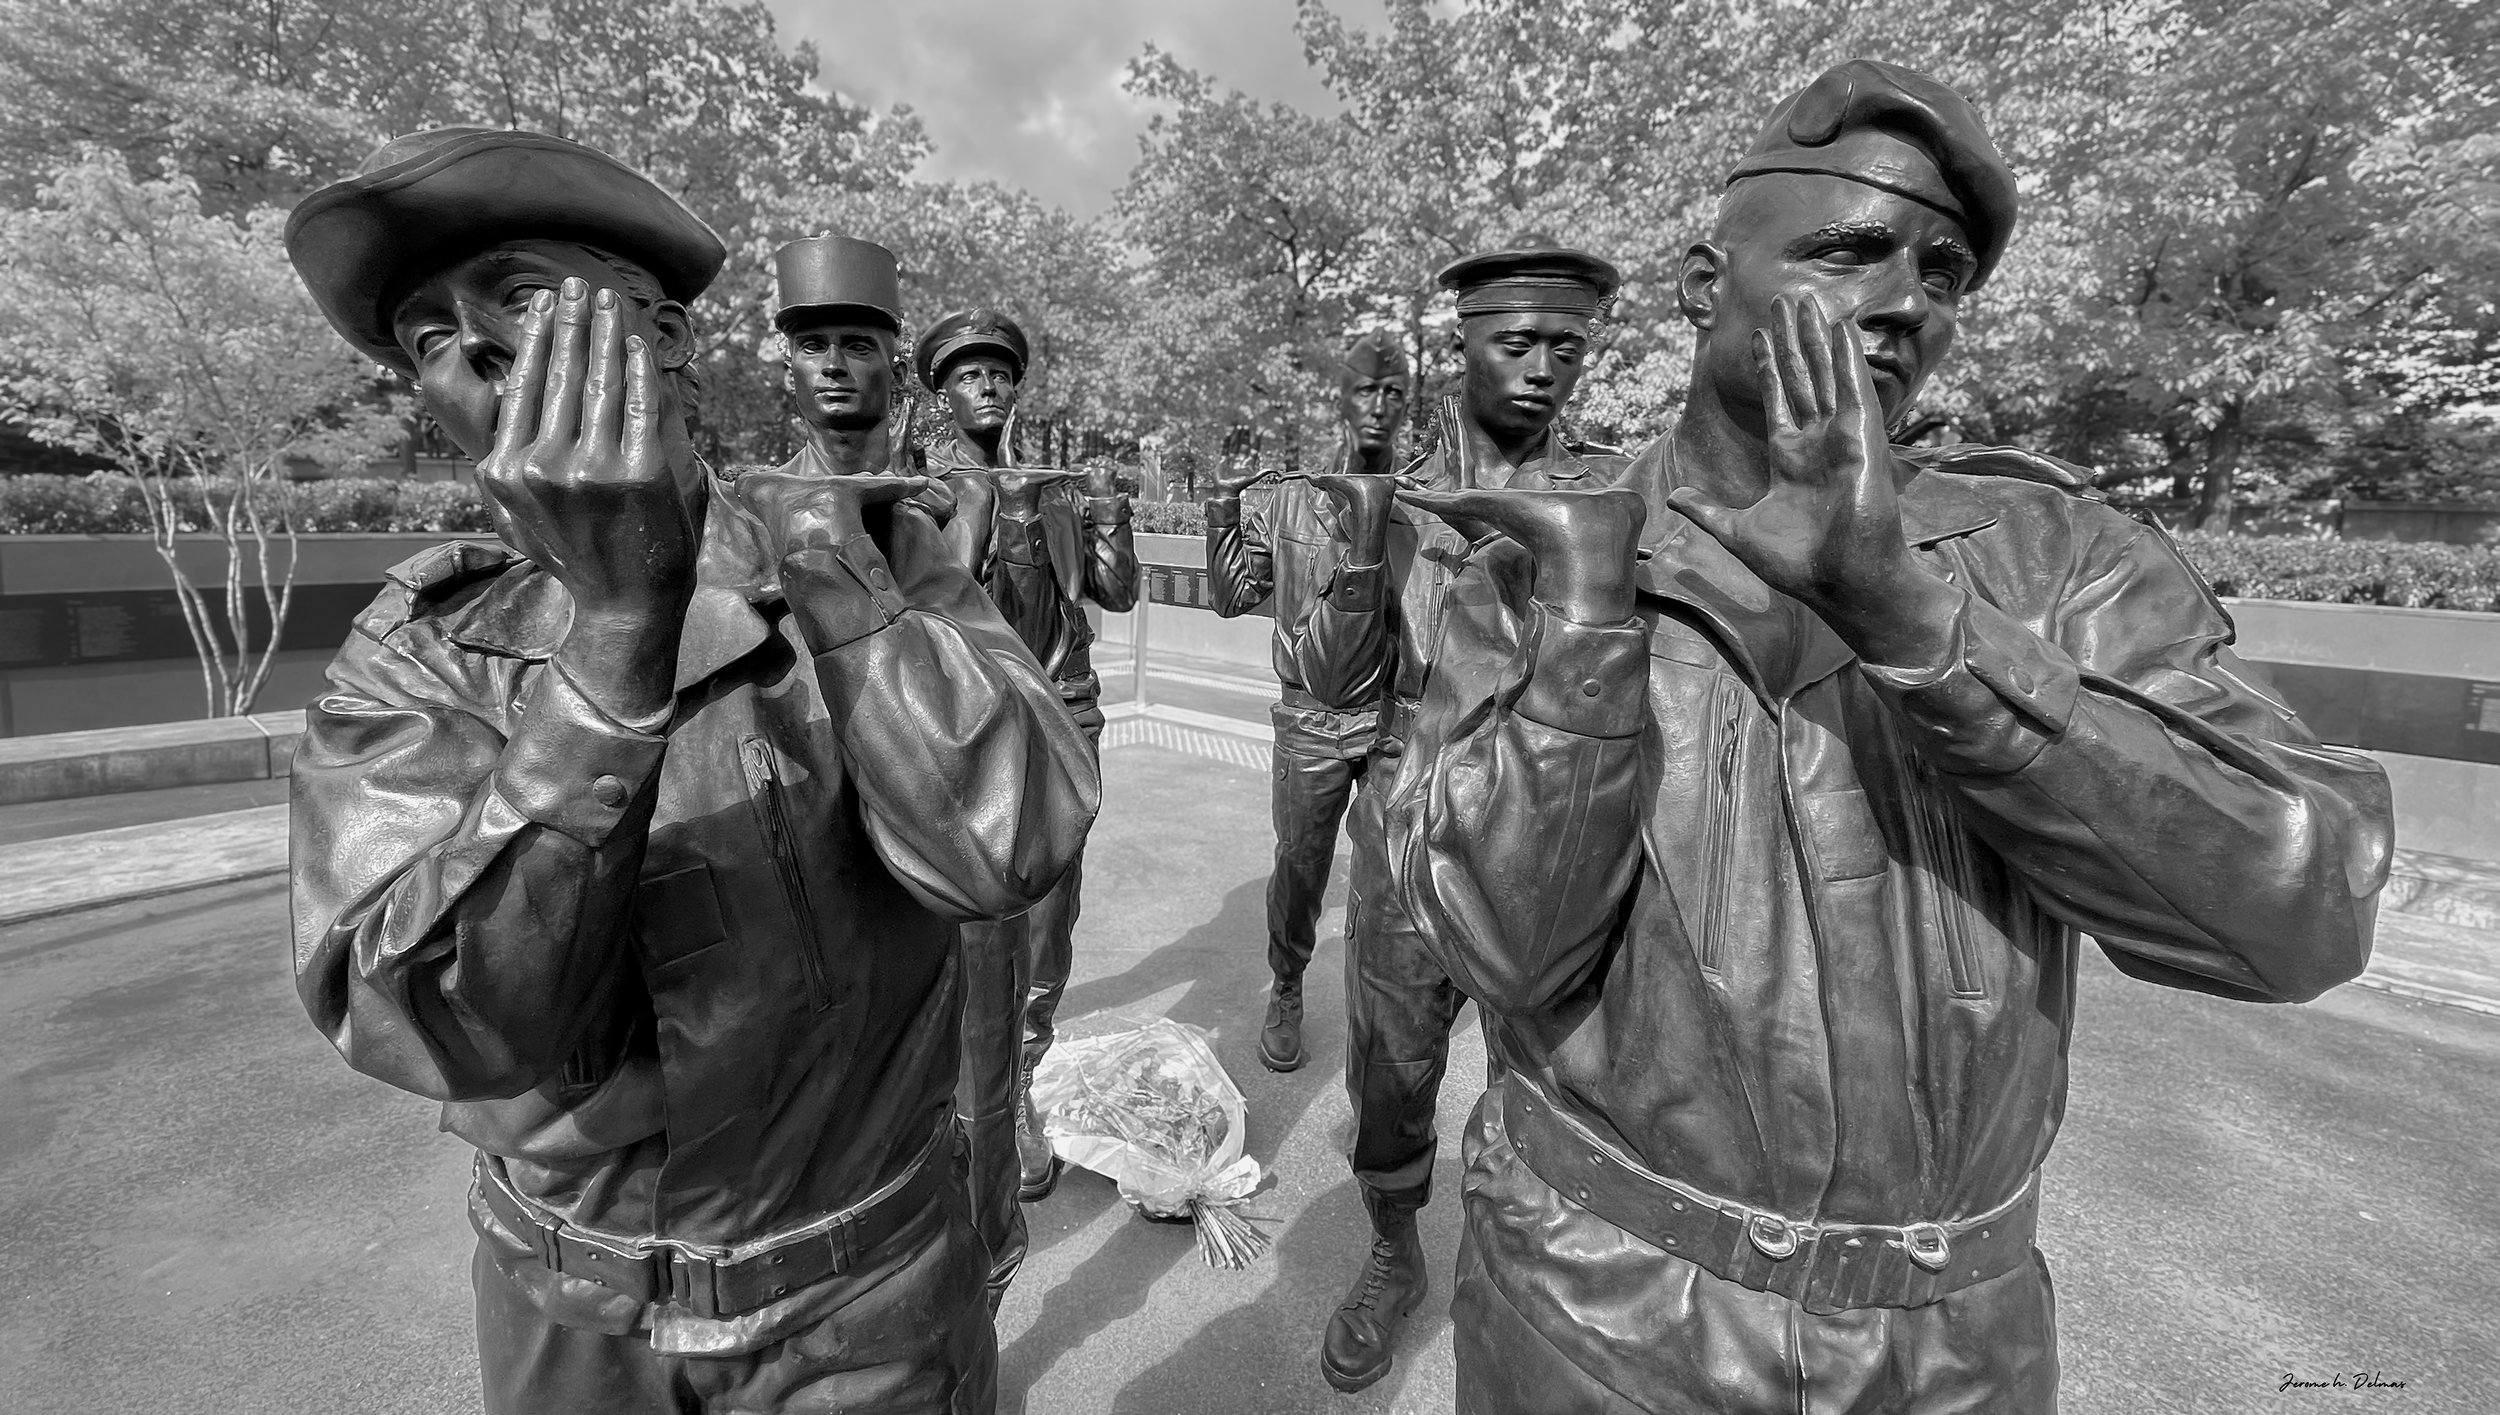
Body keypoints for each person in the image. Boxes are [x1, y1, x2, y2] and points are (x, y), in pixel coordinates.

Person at [1380, 61, 2395, 1413]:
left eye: (1946, 268)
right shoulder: (1543, 557)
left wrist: (1921, 626)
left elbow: (2302, 906)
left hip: (1951, 1349)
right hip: (1597, 1307)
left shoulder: (2056, 554)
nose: (1907, 298)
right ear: (1703, 285)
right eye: (1848, 249)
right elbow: (1501, 943)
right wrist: (1589, 625)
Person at [284, 128, 1098, 1415]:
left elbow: (1006, 846)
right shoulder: (425, 646)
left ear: (661, 340)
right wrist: (612, 641)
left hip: (859, 1307)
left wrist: (836, 574)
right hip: (571, 1317)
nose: (475, 347)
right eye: (429, 337)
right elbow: (431, 1019)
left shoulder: (861, 546)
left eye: (516, 299)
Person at [1300, 247, 1629, 1394]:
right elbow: (1338, 680)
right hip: (1403, 815)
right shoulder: (1393, 484)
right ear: (1463, 347)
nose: (1543, 370)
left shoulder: (1615, 493)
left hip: (1547, 826)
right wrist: (1358, 542)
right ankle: (1393, 1254)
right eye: (1516, 343)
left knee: (1546, 1070)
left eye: (1567, 348)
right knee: (1390, 1071)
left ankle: (1523, 1269)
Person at [912, 305, 1140, 1207]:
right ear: (942, 392)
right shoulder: (925, 491)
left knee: (1051, 916)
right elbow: (932, 604)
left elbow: (1116, 590)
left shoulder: (1054, 489)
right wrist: (984, 509)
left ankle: (1024, 1080)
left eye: (1001, 374)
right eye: (970, 375)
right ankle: (976, 1097)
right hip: (974, 725)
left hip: (1066, 717)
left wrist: (1110, 515)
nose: (989, 388)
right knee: (974, 924)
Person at [1203, 332, 1414, 1074]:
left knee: (1392, 879)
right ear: (1340, 397)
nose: (1381, 406)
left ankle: (1384, 1005)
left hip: (1396, 722)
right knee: (1300, 869)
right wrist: (1222, 504)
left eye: (1395, 392)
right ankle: (1287, 983)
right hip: (1310, 721)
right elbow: (1232, 596)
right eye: (1366, 391)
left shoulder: (1425, 498)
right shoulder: (1291, 498)